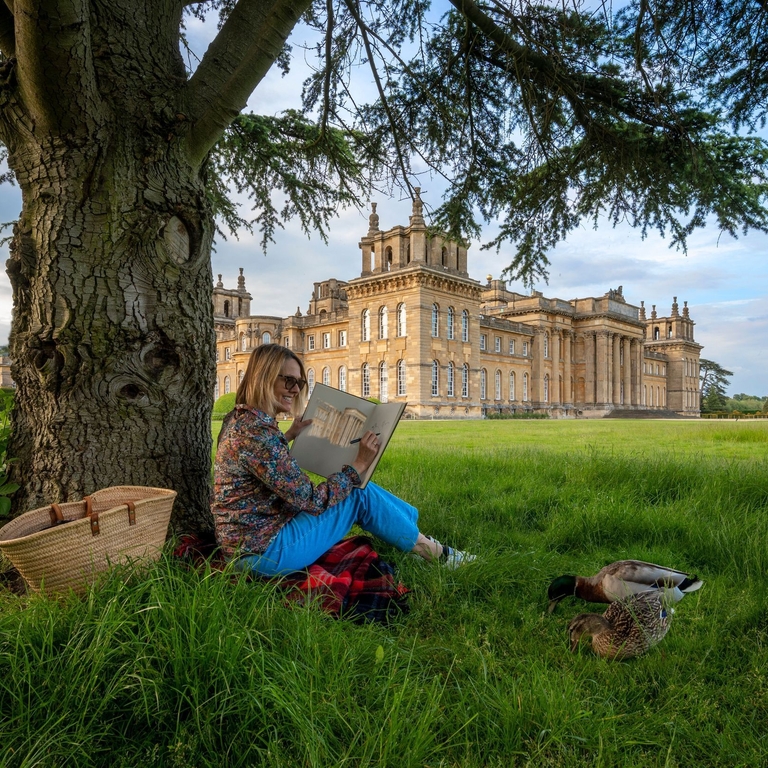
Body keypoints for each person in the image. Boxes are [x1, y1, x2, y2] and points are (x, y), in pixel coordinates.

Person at [212, 343, 475, 576]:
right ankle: (437, 554)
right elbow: (312, 501)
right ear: (264, 378)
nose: (295, 390)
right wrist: (359, 464)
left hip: (248, 544)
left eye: (300, 383)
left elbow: (260, 463)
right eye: (288, 381)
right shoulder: (257, 433)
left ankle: (415, 536)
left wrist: (289, 435)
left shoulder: (242, 420)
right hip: (262, 554)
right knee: (357, 493)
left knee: (359, 488)